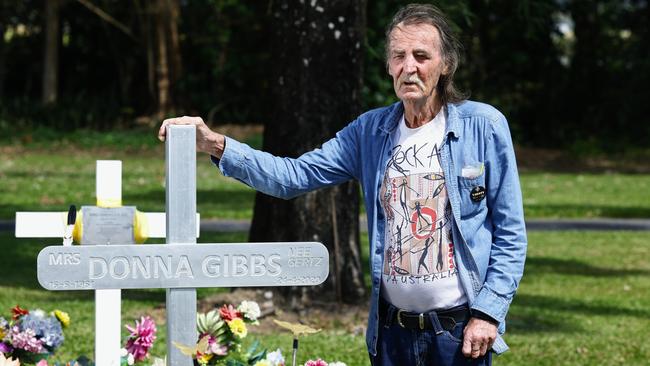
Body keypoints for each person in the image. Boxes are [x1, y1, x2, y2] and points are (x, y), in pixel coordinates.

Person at [158, 4, 527, 365]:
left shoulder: (483, 126)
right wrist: (216, 144)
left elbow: (510, 233)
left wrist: (488, 314)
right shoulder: (370, 131)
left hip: (459, 334)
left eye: (421, 56)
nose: (408, 67)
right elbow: (293, 176)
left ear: (446, 64)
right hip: (391, 334)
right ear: (388, 66)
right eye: (398, 56)